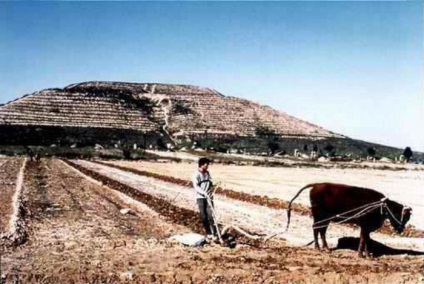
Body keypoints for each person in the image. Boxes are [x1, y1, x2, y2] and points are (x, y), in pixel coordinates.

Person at [192, 157, 216, 239]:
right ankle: (208, 232)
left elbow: (210, 182)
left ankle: (214, 232)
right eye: (206, 165)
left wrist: (213, 187)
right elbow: (196, 187)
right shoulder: (196, 174)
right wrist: (204, 193)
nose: (208, 166)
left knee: (211, 215)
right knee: (204, 216)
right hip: (200, 198)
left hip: (209, 197)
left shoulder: (207, 173)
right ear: (201, 165)